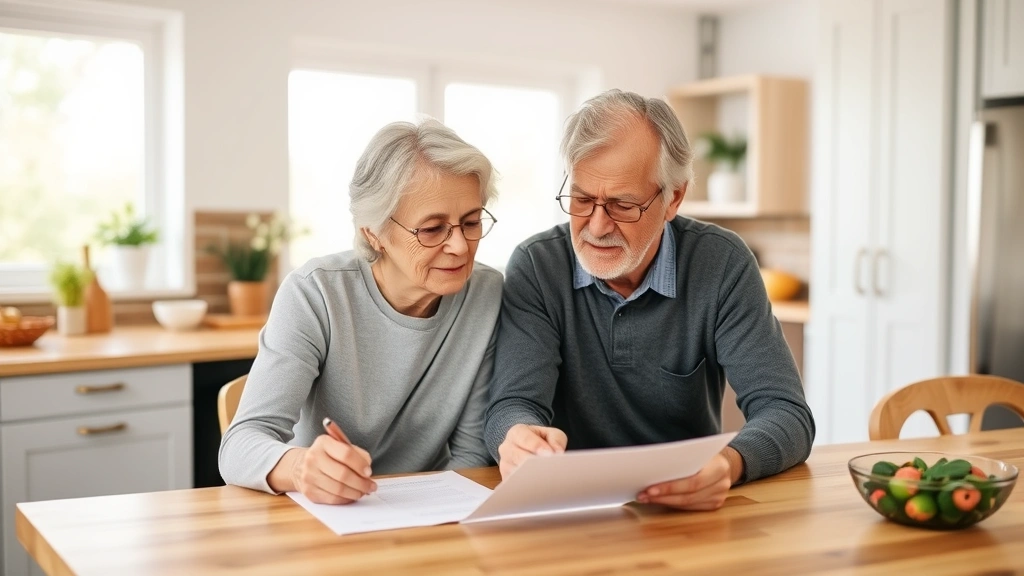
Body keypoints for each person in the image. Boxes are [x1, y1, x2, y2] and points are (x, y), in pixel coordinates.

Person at [484, 89, 815, 511]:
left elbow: (786, 412)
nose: (597, 226)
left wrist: (729, 464)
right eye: (582, 199)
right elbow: (513, 405)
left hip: (683, 510)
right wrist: (516, 437)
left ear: (673, 198)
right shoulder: (537, 265)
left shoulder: (722, 263)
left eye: (623, 204)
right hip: (568, 508)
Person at [220, 118, 503, 505]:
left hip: (431, 510)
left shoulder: (487, 294)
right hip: (325, 513)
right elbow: (239, 445)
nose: (460, 246)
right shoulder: (315, 293)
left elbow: (471, 455)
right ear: (373, 232)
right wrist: (302, 469)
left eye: (471, 222)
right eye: (433, 229)